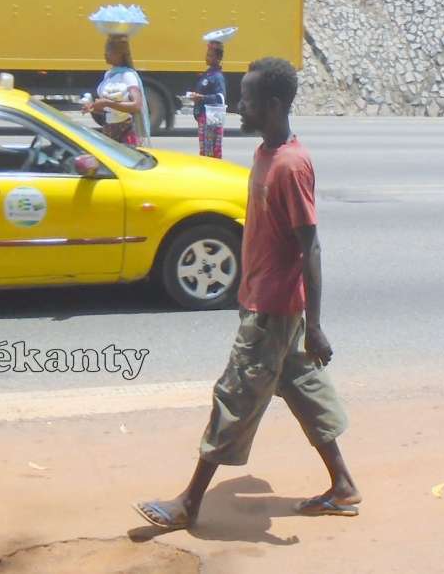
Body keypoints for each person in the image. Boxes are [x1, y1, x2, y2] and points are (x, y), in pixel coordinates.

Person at [133, 57, 360, 531]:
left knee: (233, 397)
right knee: (301, 387)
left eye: (248, 99)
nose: (239, 106)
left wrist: (314, 325)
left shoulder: (291, 166)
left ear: (273, 105)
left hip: (272, 312)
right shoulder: (266, 155)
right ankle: (342, 485)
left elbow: (310, 248)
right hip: (267, 303)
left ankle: (189, 503)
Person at [84, 35, 151, 147]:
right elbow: (110, 109)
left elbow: (136, 105)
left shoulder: (128, 76)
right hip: (109, 129)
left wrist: (106, 103)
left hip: (125, 131)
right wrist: (94, 108)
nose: (105, 54)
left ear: (120, 54)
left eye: (109, 51)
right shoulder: (109, 74)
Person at [188, 40, 227, 158]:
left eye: (210, 55)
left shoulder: (217, 77)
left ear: (218, 58)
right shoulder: (208, 73)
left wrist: (201, 98)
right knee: (205, 150)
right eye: (207, 54)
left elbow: (220, 98)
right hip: (203, 118)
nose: (207, 57)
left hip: (211, 119)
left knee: (210, 153)